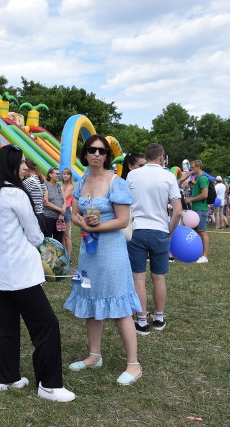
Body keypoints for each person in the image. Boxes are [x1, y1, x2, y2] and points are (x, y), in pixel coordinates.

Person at [0, 145, 75, 402]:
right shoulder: (15, 193)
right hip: (20, 271)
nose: (26, 166)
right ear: (11, 165)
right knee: (47, 325)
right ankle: (49, 384)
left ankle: (6, 377)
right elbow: (35, 234)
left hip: (0, 271)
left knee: (7, 325)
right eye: (22, 162)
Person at [64, 134, 143, 386]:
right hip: (88, 253)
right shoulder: (82, 181)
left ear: (107, 155)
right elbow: (74, 213)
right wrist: (81, 223)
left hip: (111, 252)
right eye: (91, 149)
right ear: (84, 154)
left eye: (101, 151)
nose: (96, 154)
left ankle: (134, 364)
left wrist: (97, 227)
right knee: (90, 300)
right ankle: (94, 355)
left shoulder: (116, 183)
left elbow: (122, 220)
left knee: (119, 306)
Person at [126, 143, 182, 335]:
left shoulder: (133, 175)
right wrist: (169, 231)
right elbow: (178, 211)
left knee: (138, 278)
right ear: (161, 157)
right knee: (159, 278)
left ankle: (141, 321)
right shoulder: (168, 176)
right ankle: (158, 318)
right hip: (160, 231)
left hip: (138, 230)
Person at [183, 160, 210, 263]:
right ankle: (198, 253)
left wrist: (191, 199)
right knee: (196, 232)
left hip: (201, 209)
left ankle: (204, 256)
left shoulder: (202, 179)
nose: (191, 169)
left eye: (193, 168)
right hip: (197, 209)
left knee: (202, 232)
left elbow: (205, 194)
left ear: (199, 167)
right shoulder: (197, 179)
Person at [23, 158, 46, 233]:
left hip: (34, 214)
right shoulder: (41, 180)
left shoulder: (29, 181)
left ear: (27, 168)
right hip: (41, 214)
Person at [43, 167, 65, 241]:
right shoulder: (45, 185)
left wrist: (62, 214)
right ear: (50, 175)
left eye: (59, 174)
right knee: (47, 241)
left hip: (60, 219)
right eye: (56, 173)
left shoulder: (59, 186)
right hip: (48, 218)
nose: (59, 175)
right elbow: (46, 202)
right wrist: (60, 210)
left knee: (59, 241)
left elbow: (64, 201)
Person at [61, 168, 74, 258]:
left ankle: (68, 257)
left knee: (66, 235)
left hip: (67, 210)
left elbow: (63, 197)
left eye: (67, 174)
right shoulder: (61, 185)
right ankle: (62, 255)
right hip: (60, 209)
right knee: (61, 235)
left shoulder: (71, 186)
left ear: (70, 176)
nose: (65, 176)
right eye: (64, 174)